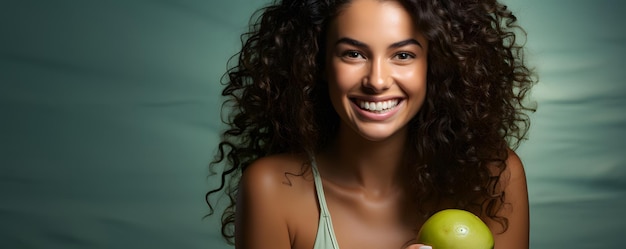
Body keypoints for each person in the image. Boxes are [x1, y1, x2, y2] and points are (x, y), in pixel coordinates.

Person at [206, 0, 536, 248]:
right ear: (317, 63)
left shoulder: (495, 177)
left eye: (403, 55)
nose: (377, 81)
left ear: (434, 65)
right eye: (353, 54)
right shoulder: (272, 189)